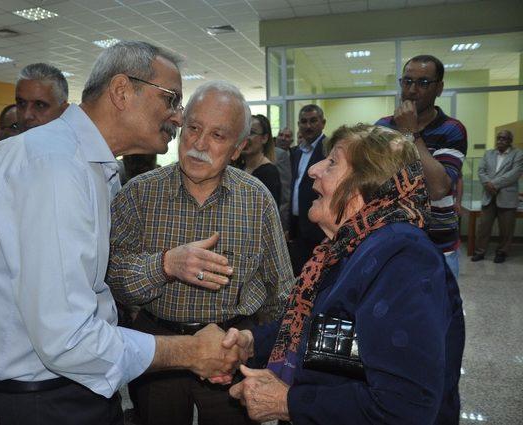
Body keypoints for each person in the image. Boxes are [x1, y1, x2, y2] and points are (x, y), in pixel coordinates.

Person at [0, 41, 246, 425]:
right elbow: (68, 337)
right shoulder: (55, 169)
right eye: (171, 100)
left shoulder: (89, 167)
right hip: (46, 402)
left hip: (71, 388)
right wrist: (189, 352)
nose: (176, 117)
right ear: (122, 91)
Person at [223, 124, 465, 425]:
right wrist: (251, 342)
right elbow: (324, 329)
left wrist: (287, 402)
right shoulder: (349, 246)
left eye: (333, 162)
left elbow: (403, 408)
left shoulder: (403, 258)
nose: (313, 170)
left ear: (366, 183)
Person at [107, 81, 295, 425]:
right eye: (193, 128)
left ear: (238, 148)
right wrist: (164, 265)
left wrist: (255, 349)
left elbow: (280, 291)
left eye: (218, 136)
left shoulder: (257, 200)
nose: (199, 143)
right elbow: (112, 278)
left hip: (232, 350)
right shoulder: (137, 194)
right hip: (158, 350)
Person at [376, 55, 467, 279]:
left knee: (440, 313)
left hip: (438, 246)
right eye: (407, 81)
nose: (412, 89)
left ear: (439, 88)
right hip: (392, 243)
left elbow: (438, 188)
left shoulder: (452, 129)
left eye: (423, 83)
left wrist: (410, 133)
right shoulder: (383, 127)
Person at [0, 63, 68, 164]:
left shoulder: (82, 157)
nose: (27, 115)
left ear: (64, 111)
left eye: (40, 105)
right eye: (21, 103)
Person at [472, 130, 523, 263]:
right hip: (489, 196)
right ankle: (480, 252)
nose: (500, 140)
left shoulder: (518, 154)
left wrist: (493, 184)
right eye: (498, 138)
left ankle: (502, 252)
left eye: (504, 138)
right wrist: (488, 184)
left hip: (507, 197)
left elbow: (515, 173)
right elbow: (481, 170)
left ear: (510, 141)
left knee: (506, 229)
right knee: (483, 227)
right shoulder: (489, 153)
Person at [289, 104, 327, 275]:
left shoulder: (328, 150)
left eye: (313, 121)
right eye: (304, 122)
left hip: (318, 228)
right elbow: (296, 187)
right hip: (298, 226)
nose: (308, 126)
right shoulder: (297, 152)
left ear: (323, 123)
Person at [241, 114, 281, 205]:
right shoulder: (241, 167)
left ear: (264, 138)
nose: (246, 138)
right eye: (244, 133)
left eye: (252, 133)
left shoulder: (269, 172)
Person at [274, 127, 293, 233]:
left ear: (292, 141)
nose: (283, 138)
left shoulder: (296, 153)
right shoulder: (275, 155)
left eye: (287, 136)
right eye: (280, 135)